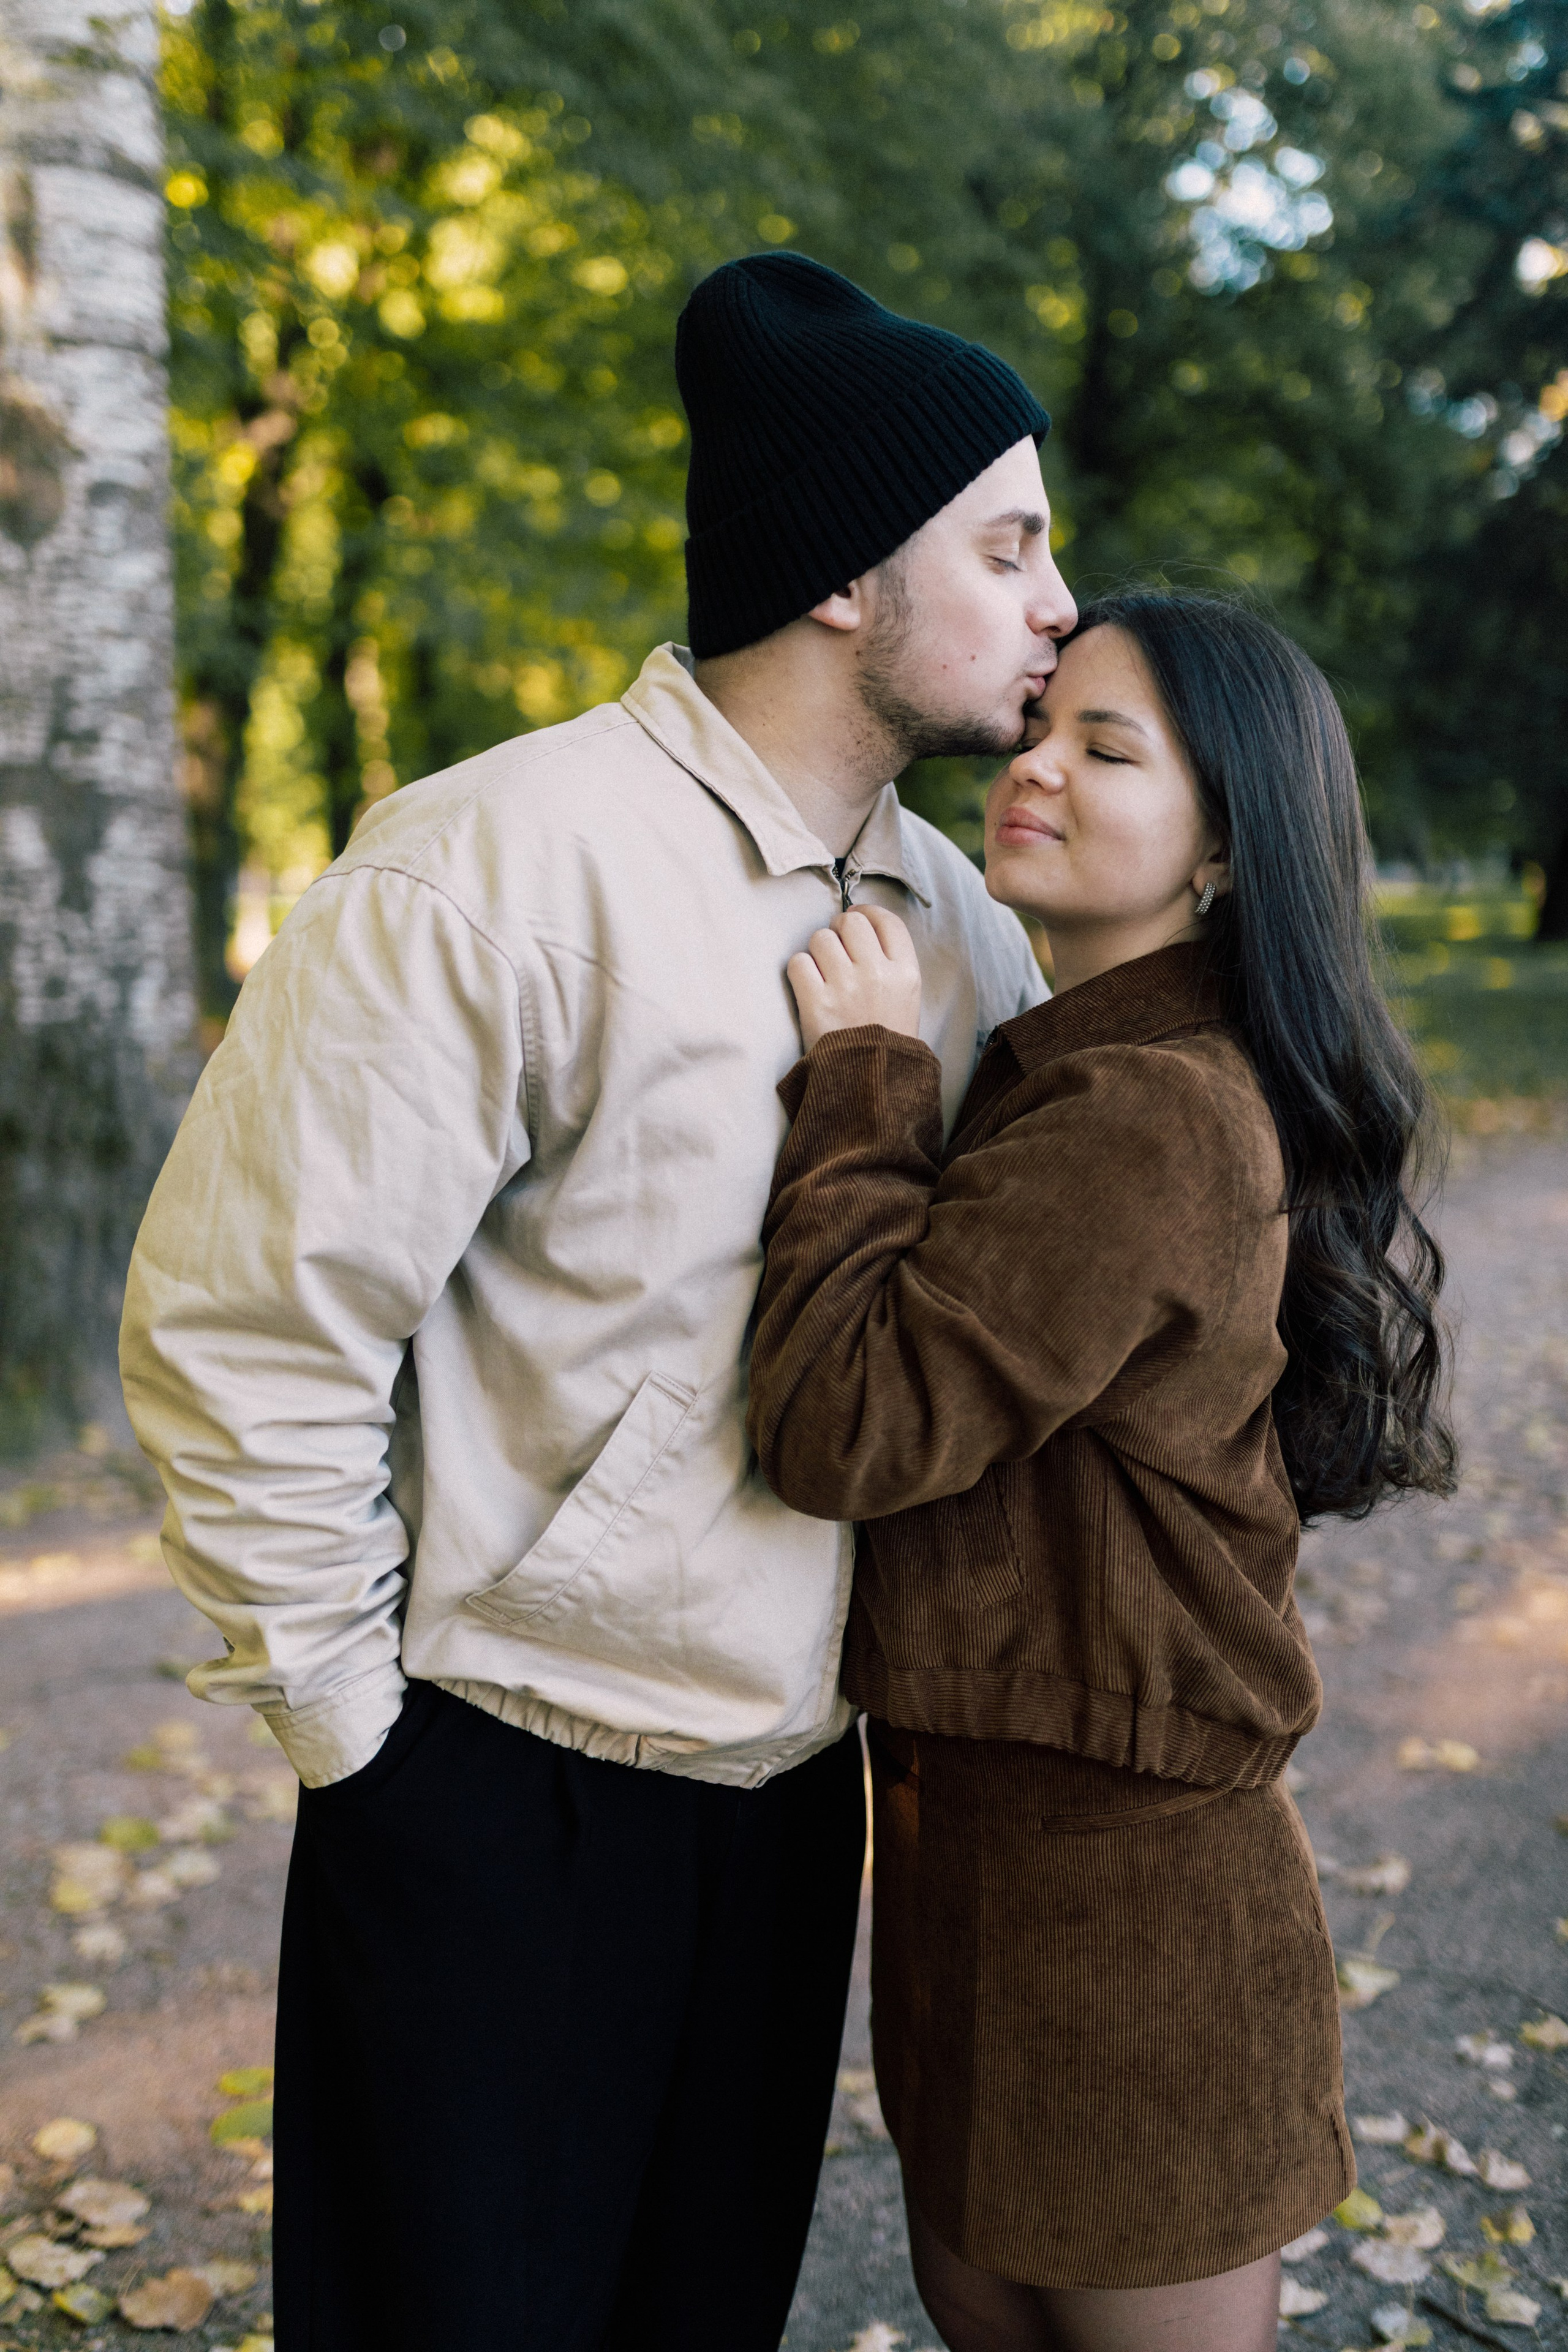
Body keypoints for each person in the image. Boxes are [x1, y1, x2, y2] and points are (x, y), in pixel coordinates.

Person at [117, 251, 1077, 2351]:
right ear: (844, 577)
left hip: (792, 1803)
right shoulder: (496, 864)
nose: (1059, 605)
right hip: (493, 1794)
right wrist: (357, 1744)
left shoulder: (965, 924)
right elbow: (244, 1325)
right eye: (1007, 547)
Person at [746, 589, 1456, 2352]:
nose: (1033, 766)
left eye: (1107, 749)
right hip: (972, 1875)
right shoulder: (1088, 1068)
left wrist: (862, 1082)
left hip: (1134, 1907)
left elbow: (847, 1421)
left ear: (1224, 853)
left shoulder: (1153, 1109)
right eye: (1044, 725)